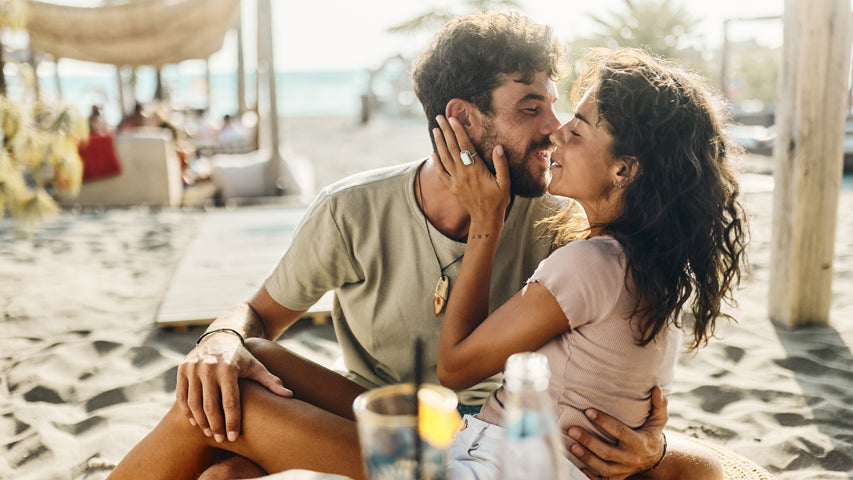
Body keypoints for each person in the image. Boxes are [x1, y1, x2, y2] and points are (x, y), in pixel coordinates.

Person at [107, 12, 719, 480]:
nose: (554, 129)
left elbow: (609, 375)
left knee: (226, 433)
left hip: (476, 447)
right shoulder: (353, 210)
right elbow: (258, 316)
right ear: (462, 118)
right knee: (245, 367)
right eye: (533, 107)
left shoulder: (561, 220)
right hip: (406, 421)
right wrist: (218, 339)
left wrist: (655, 446)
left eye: (558, 110)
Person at [430, 46, 748, 479]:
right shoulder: (647, 266)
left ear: (624, 171)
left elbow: (453, 368)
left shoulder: (591, 264)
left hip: (495, 466)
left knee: (301, 423)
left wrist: (486, 220)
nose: (555, 133)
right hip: (539, 462)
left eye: (577, 131)